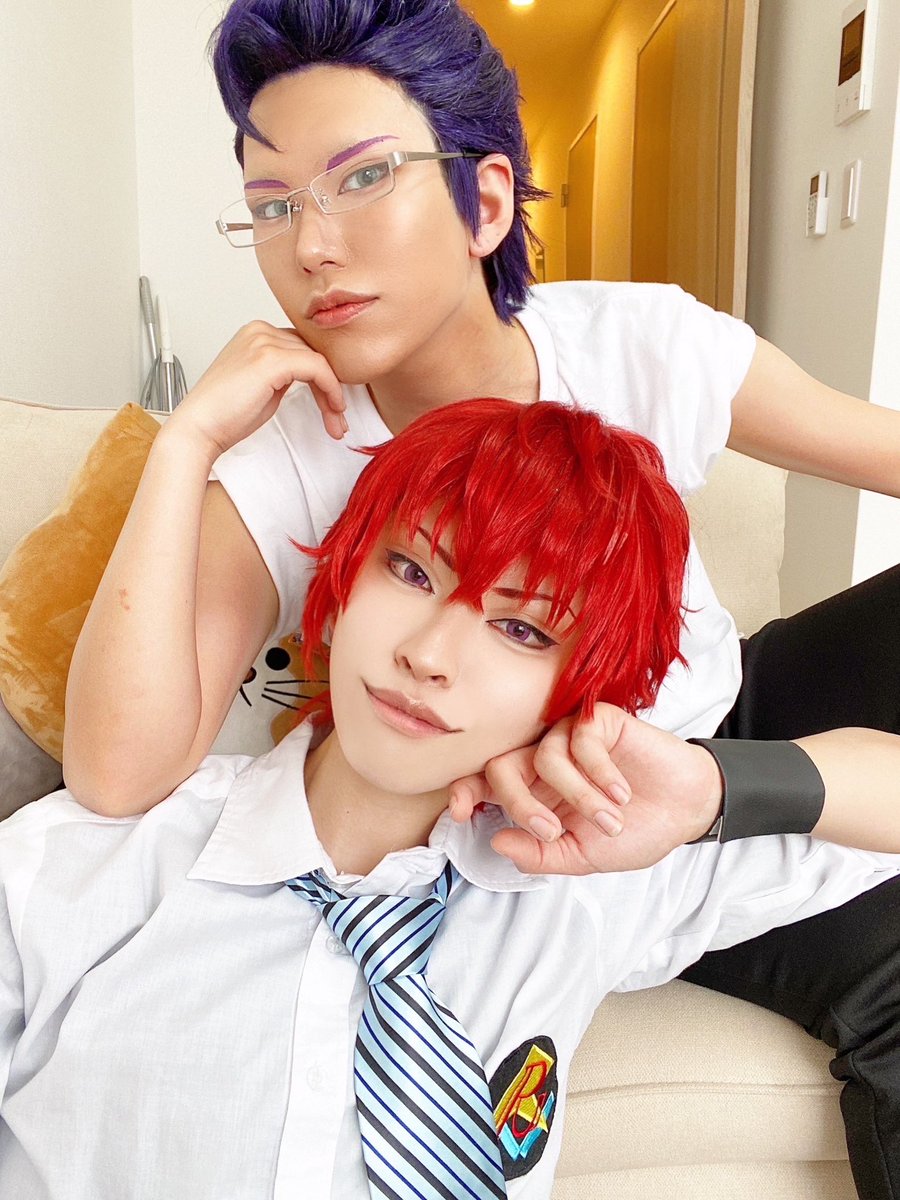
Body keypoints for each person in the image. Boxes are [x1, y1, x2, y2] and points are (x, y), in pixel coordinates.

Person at [59, 2, 900, 1195]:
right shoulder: (285, 454)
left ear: (487, 201)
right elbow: (116, 773)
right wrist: (185, 442)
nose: (311, 245)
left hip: (735, 712)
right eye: (271, 203)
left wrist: (730, 776)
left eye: (361, 178)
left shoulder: (637, 342)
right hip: (585, 824)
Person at [4, 399, 900, 1200]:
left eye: (520, 628)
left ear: (581, 693)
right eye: (411, 572)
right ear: (340, 587)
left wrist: (710, 787)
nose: (429, 655)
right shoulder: (81, 864)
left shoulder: (582, 887)